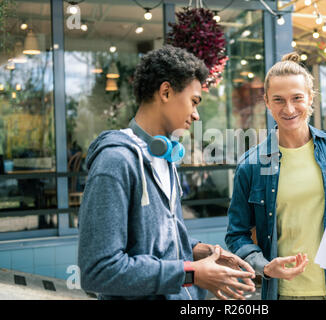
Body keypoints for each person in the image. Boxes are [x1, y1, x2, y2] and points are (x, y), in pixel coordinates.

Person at [78, 45, 256, 300]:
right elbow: (98, 271)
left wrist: (200, 252)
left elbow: (155, 243)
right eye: (194, 102)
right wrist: (192, 273)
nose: (196, 115)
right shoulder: (115, 162)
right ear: (165, 91)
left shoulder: (165, 157)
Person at [225, 52, 326, 300]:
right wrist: (265, 266)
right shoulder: (251, 166)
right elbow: (236, 234)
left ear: (311, 98)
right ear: (267, 102)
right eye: (278, 100)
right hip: (287, 294)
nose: (288, 108)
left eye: (297, 98)